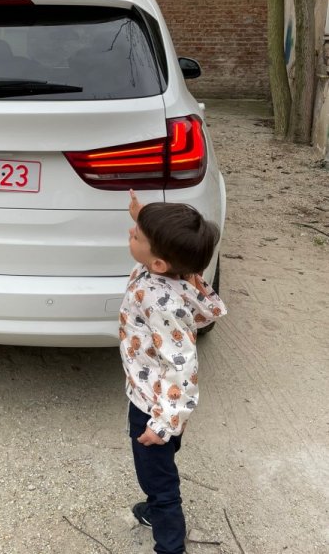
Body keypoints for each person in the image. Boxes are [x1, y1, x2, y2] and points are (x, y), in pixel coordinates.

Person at [120, 190, 227, 554]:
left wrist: (162, 424)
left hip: (154, 408)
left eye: (137, 234)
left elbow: (182, 368)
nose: (131, 233)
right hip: (157, 401)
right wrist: (142, 215)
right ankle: (155, 510)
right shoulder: (173, 270)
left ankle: (169, 545)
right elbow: (163, 241)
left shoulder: (161, 302)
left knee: (159, 482)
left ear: (160, 263)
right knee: (159, 470)